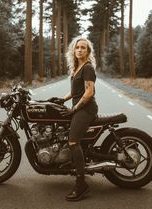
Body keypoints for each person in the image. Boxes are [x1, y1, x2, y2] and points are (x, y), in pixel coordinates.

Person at [51, 36, 98, 201]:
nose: (79, 50)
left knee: (73, 141)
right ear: (74, 50)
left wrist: (74, 109)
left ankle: (81, 184)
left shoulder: (87, 68)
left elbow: (89, 92)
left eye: (83, 48)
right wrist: (61, 100)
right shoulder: (77, 68)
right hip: (80, 108)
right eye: (77, 47)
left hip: (86, 109)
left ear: (88, 51)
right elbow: (75, 92)